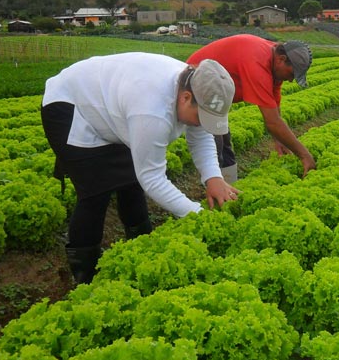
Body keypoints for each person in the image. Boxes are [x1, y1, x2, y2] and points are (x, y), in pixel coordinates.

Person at [41, 53, 239, 284]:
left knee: (130, 183)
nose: (201, 122)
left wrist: (213, 177)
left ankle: (142, 247)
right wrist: (197, 214)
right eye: (201, 116)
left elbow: (200, 134)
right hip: (71, 105)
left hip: (113, 104)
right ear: (186, 98)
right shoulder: (152, 110)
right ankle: (86, 274)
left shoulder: (196, 87)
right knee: (96, 192)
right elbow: (153, 179)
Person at [187, 34, 316, 182]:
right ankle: (215, 193)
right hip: (197, 84)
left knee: (224, 141)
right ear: (282, 60)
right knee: (214, 143)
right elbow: (272, 121)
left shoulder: (274, 62)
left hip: (217, 95)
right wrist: (304, 155)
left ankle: (230, 187)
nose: (291, 80)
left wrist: (279, 139)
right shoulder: (257, 62)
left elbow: (274, 108)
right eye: (292, 74)